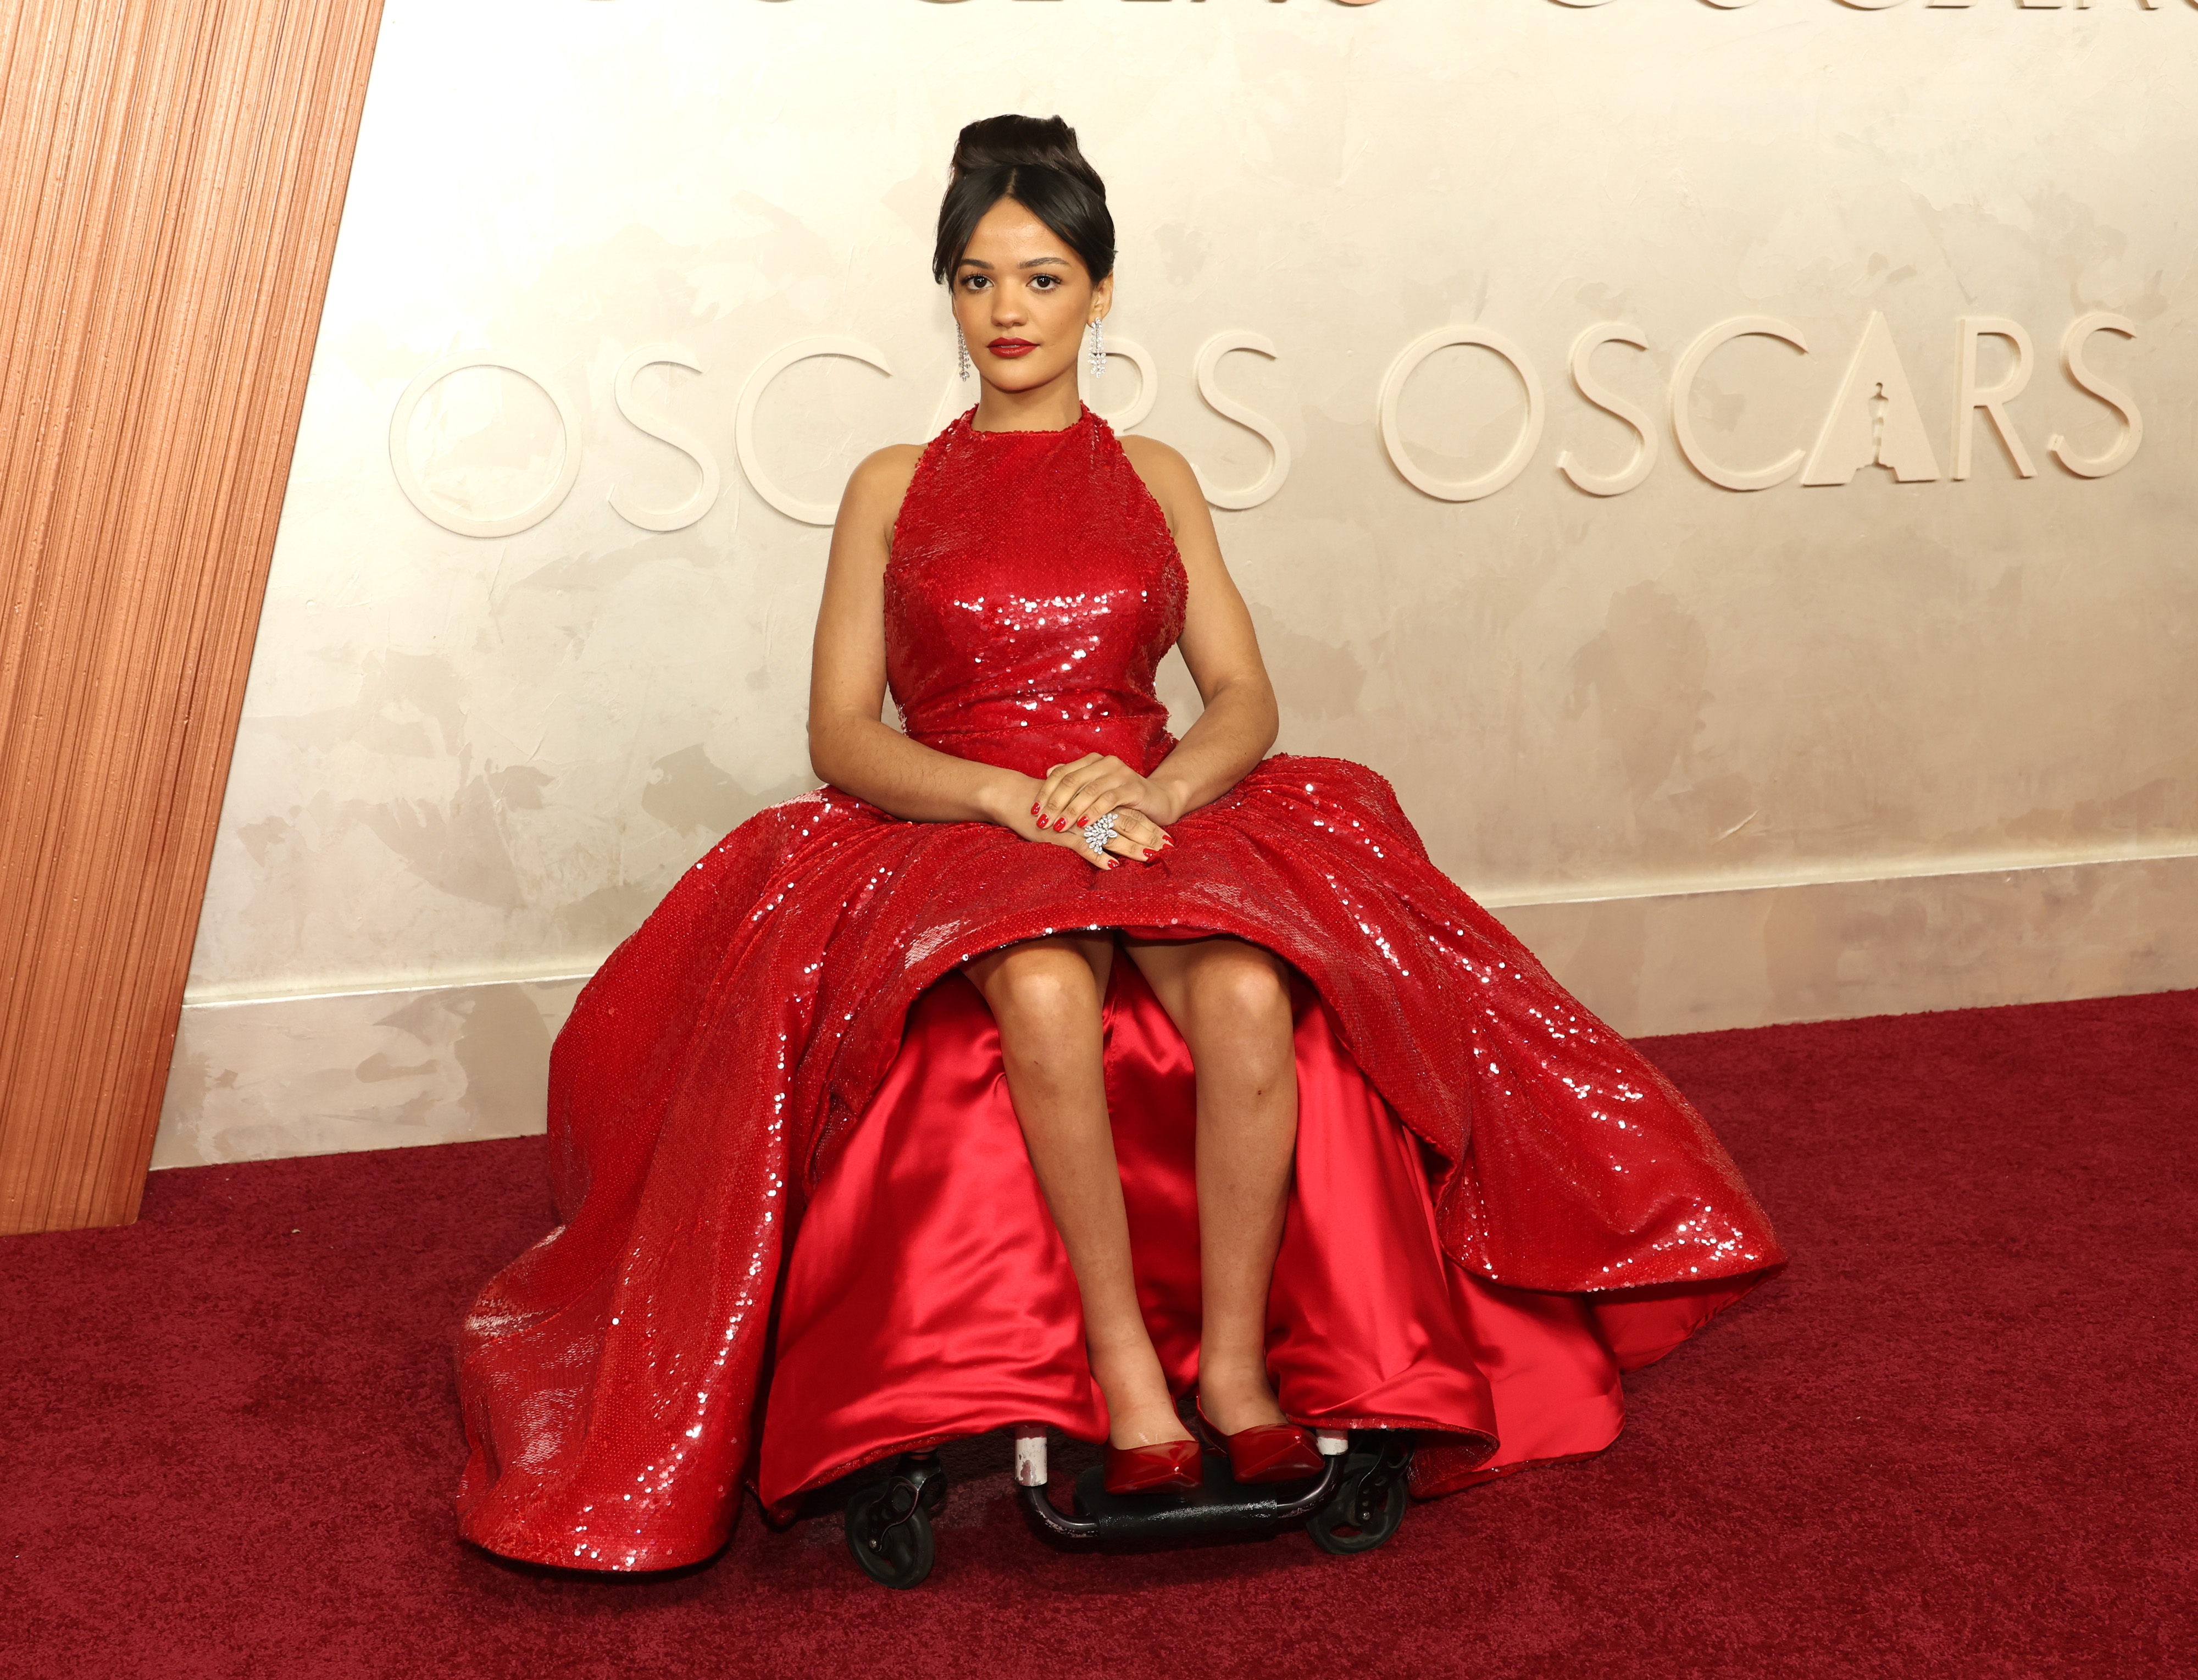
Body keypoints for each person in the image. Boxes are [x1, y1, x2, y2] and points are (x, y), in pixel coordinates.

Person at [454, 115, 1784, 1572]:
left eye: (1039, 277)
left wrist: (1156, 791)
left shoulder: (1153, 472)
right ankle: (1124, 1377)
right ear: (949, 297)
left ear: (1099, 290)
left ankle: (1231, 1367)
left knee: (1247, 991)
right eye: (975, 279)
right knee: (1038, 990)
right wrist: (993, 794)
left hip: (1143, 799)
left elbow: (1246, 697)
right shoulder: (892, 483)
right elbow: (844, 732)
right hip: (963, 811)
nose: (1007, 311)